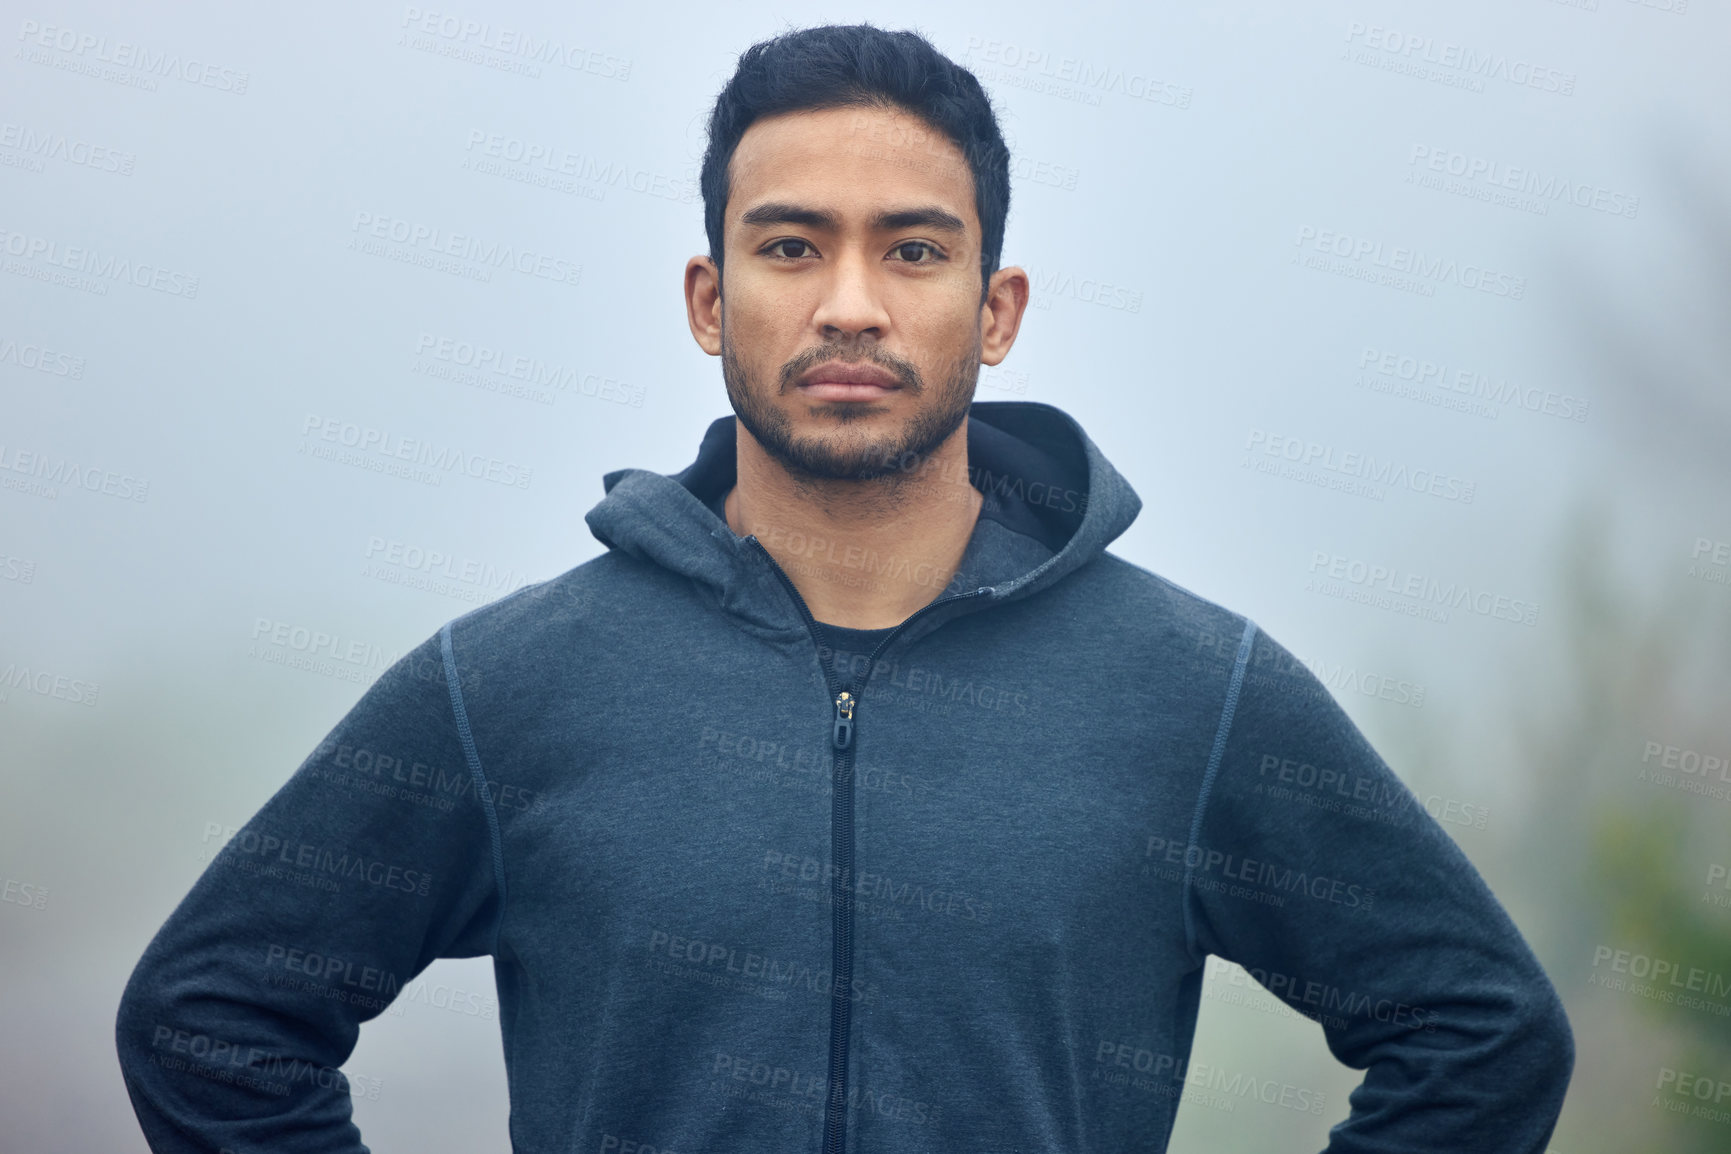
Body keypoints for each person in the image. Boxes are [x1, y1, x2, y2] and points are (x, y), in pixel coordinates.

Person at [116, 23, 1574, 1154]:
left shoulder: (1191, 691)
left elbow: (1484, 1033)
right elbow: (210, 1017)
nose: (852, 302)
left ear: (995, 309)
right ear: (711, 298)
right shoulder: (515, 683)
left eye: (915, 249)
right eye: (792, 244)